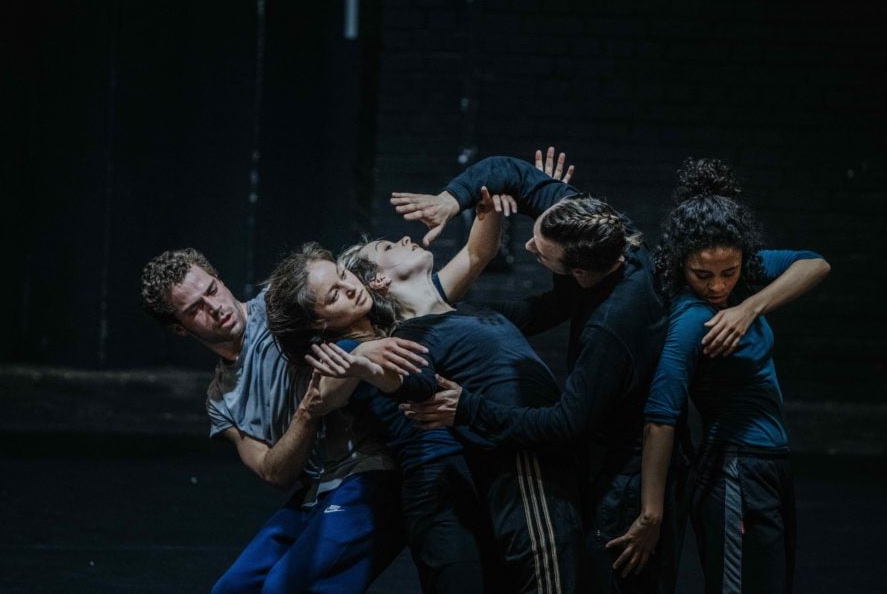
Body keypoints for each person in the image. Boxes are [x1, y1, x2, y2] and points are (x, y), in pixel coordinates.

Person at [390, 153, 689, 593]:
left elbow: (565, 422)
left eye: (541, 254)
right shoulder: (600, 225)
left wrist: (467, 406)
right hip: (594, 450)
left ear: (580, 272)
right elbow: (510, 171)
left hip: (628, 472)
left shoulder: (611, 328)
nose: (530, 247)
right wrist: (451, 201)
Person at [265, 185, 584, 594]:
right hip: (433, 485)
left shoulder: (408, 321)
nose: (350, 288)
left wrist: (497, 198)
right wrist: (365, 360)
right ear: (321, 322)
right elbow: (342, 388)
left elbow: (473, 256)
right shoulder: (341, 351)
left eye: (345, 278)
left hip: (474, 468)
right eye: (335, 295)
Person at [138, 248, 426, 593]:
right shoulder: (220, 400)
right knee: (230, 590)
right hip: (316, 490)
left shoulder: (283, 310)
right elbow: (274, 473)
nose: (214, 308)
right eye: (195, 309)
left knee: (283, 587)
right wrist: (307, 412)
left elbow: (349, 293)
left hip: (369, 470)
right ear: (179, 328)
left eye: (211, 290)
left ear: (220, 280)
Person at [634, 157, 830, 593]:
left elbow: (816, 264)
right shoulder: (692, 320)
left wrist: (750, 306)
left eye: (730, 272)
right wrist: (652, 514)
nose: (718, 285)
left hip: (770, 464)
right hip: (734, 468)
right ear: (681, 264)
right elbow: (660, 416)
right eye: (703, 274)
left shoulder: (744, 285)